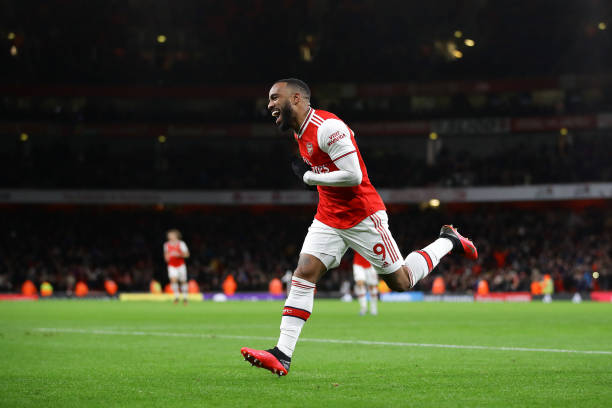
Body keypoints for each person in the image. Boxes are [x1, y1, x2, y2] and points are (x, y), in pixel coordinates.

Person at [240, 78, 478, 376]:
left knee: (400, 282)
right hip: (329, 215)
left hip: (362, 216)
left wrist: (309, 179)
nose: (270, 104)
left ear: (297, 98)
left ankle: (448, 239)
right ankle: (282, 353)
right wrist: (315, 179)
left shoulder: (328, 127)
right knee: (304, 272)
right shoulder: (300, 133)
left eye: (276, 98)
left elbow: (352, 176)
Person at [163, 229, 190, 304]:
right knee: (173, 280)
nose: (170, 236)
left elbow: (187, 254)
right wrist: (168, 257)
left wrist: (179, 255)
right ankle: (176, 297)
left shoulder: (181, 244)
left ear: (176, 236)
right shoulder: (166, 245)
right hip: (172, 265)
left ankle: (185, 298)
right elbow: (166, 257)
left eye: (171, 235)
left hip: (181, 265)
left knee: (183, 281)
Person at [353, 251, 379, 316]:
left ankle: (373, 308)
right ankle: (363, 307)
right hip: (358, 264)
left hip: (371, 264)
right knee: (360, 284)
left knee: (372, 286)